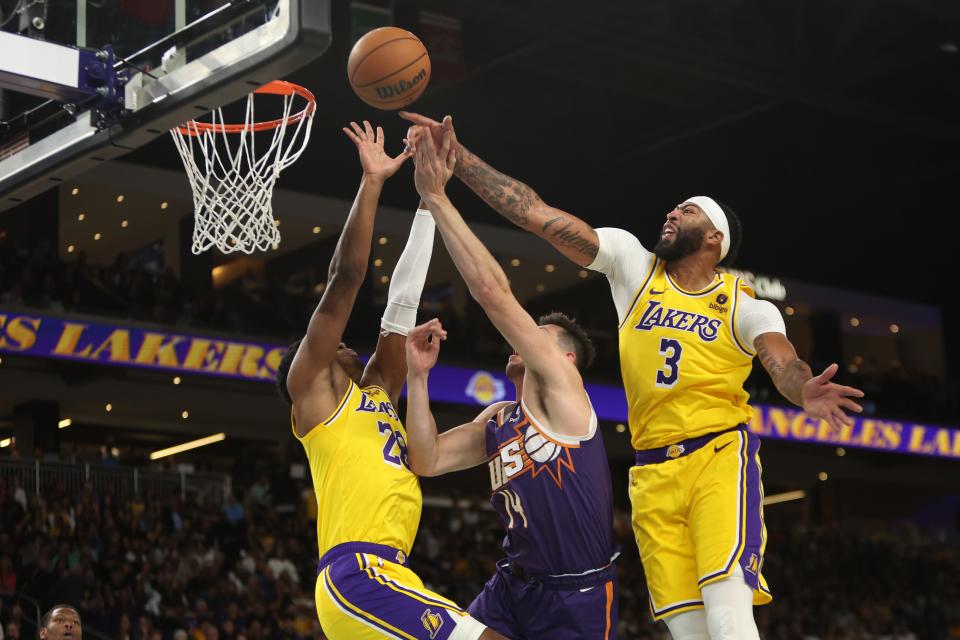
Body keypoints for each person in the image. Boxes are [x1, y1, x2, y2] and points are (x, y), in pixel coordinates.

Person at [400, 112, 865, 640]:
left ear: (714, 238)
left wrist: (803, 389)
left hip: (717, 455)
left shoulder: (741, 303)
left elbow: (782, 360)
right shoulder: (634, 266)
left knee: (727, 613)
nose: (671, 211)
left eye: (686, 210)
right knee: (689, 631)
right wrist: (458, 160)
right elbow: (536, 213)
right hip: (650, 473)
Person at [275, 120, 505, 640]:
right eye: (339, 345)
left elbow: (400, 306)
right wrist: (373, 181)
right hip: (358, 574)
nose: (351, 345)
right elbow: (348, 277)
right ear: (318, 359)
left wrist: (429, 200)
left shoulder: (374, 396)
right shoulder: (311, 390)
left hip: (389, 571)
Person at [403, 126, 618, 639]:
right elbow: (425, 459)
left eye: (539, 335)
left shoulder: (567, 392)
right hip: (511, 585)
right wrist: (417, 377)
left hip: (576, 596)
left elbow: (493, 294)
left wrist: (435, 196)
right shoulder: (499, 420)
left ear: (564, 357)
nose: (522, 339)